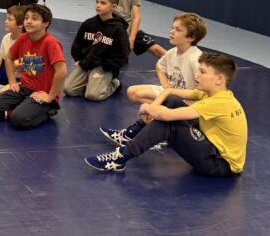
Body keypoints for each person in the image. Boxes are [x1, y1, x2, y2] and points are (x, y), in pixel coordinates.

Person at [85, 53, 246, 178]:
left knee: (169, 123)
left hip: (219, 165)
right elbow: (169, 92)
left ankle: (121, 157)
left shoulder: (218, 103)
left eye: (202, 72)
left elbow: (168, 116)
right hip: (212, 148)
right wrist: (153, 107)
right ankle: (131, 134)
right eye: (198, 70)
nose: (197, 75)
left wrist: (147, 107)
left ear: (219, 79)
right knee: (173, 100)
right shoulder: (210, 94)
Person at [0, 4, 67, 129]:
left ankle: (49, 110)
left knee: (19, 120)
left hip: (42, 92)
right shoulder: (23, 38)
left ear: (45, 23)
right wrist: (12, 82)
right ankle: (21, 110)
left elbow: (62, 72)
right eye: (26, 18)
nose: (28, 21)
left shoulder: (50, 43)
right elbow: (9, 58)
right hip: (24, 87)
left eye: (34, 18)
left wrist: (50, 96)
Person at [62, 0, 130, 101]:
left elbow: (123, 54)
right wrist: (79, 59)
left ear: (113, 7)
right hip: (86, 62)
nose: (98, 5)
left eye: (103, 3)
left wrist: (107, 66)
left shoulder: (118, 29)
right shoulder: (89, 24)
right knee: (68, 90)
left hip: (103, 66)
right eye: (97, 2)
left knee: (93, 96)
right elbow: (77, 44)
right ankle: (92, 84)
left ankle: (114, 84)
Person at [126, 13, 207, 104]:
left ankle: (168, 111)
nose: (172, 32)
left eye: (178, 30)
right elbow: (159, 66)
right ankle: (167, 110)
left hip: (186, 98)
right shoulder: (172, 52)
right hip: (170, 92)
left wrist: (195, 101)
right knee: (132, 92)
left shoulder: (196, 59)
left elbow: (207, 87)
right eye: (172, 28)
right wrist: (165, 83)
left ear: (191, 38)